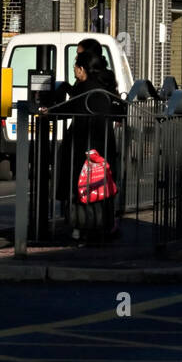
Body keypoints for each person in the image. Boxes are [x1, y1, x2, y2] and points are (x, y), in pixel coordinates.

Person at [58, 53, 119, 243]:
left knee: (82, 188)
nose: (74, 70)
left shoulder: (85, 89)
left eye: (76, 66)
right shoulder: (103, 88)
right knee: (99, 188)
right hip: (101, 146)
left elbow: (67, 109)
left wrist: (49, 111)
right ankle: (101, 227)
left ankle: (82, 229)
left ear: (82, 69)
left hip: (84, 146)